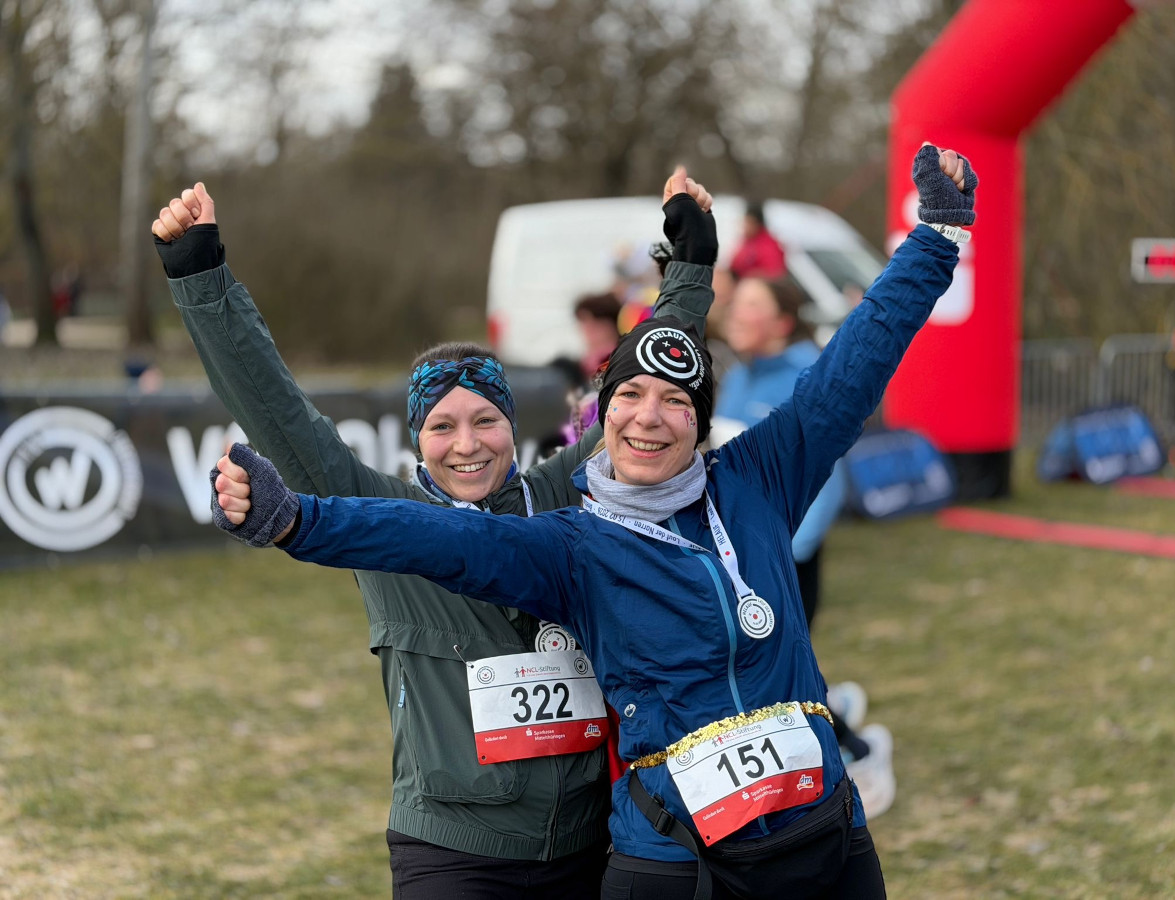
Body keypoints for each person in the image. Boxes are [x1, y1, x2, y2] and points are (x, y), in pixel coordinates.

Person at [210, 144, 977, 899]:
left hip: (823, 838)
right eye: (629, 398)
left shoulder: (758, 481)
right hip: (678, 861)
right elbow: (440, 537)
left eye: (676, 401)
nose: (650, 419)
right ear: (598, 416)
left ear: (700, 419)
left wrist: (936, 240)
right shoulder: (573, 543)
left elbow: (852, 367)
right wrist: (296, 522)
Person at [150, 166, 719, 899]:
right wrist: (200, 274)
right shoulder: (383, 519)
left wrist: (690, 265)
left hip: (590, 843)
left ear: (513, 429)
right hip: (452, 852)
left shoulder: (571, 493)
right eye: (442, 426)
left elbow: (650, 384)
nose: (467, 443)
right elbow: (277, 410)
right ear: (418, 439)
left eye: (486, 420)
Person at [714, 275, 892, 819]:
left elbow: (824, 477)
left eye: (749, 305)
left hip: (785, 557)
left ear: (782, 321)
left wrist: (785, 548)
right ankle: (835, 714)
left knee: (781, 672)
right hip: (736, 559)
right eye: (735, 305)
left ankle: (860, 751)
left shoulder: (806, 378)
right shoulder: (736, 377)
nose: (734, 315)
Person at [728, 201, 786, 282]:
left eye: (749, 223)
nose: (745, 226)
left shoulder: (768, 245)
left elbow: (774, 273)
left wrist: (750, 275)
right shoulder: (746, 241)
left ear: (757, 224)